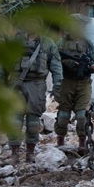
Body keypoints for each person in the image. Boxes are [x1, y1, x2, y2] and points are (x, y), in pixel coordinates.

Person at [9, 31, 62, 162]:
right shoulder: (15, 40)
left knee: (33, 122)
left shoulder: (48, 44)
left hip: (37, 84)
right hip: (16, 83)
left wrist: (57, 86)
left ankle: (30, 153)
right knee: (15, 120)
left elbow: (56, 67)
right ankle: (14, 154)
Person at [55, 27, 94, 149]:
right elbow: (54, 60)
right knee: (63, 115)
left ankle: (82, 142)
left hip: (83, 83)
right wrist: (67, 64)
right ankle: (60, 140)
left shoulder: (87, 43)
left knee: (82, 115)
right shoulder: (61, 43)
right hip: (66, 82)